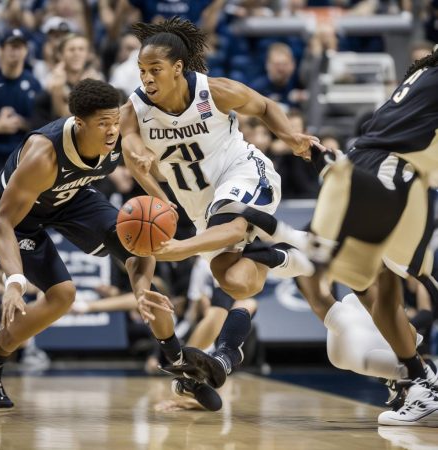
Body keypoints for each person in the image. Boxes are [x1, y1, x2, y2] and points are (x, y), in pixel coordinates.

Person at [119, 17, 322, 390]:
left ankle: (275, 251)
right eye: (142, 70)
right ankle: (283, 256)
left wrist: (290, 136)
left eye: (155, 70)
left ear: (178, 69)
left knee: (230, 224)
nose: (146, 78)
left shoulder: (212, 92)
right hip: (200, 207)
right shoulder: (135, 108)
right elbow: (130, 145)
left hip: (243, 173)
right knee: (238, 283)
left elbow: (263, 105)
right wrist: (145, 168)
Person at [0, 79, 178, 410]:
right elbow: (1, 222)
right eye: (103, 123)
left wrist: (163, 202)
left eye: (115, 121)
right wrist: (15, 283)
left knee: (141, 247)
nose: (112, 131)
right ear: (79, 123)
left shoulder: (118, 134)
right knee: (63, 296)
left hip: (71, 196)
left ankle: (176, 358)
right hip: (19, 217)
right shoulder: (43, 155)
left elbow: (135, 163)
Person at [295, 46, 438, 426]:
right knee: (367, 279)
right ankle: (414, 374)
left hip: (389, 169)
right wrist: (327, 162)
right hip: (369, 164)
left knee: (315, 266)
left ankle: (417, 378)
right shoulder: (424, 74)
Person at [0, 28, 42, 189]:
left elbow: (42, 126)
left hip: (23, 158)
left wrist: (23, 123)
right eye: (11, 46)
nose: (15, 52)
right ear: (1, 50)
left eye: (19, 47)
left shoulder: (34, 84)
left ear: (26, 51)